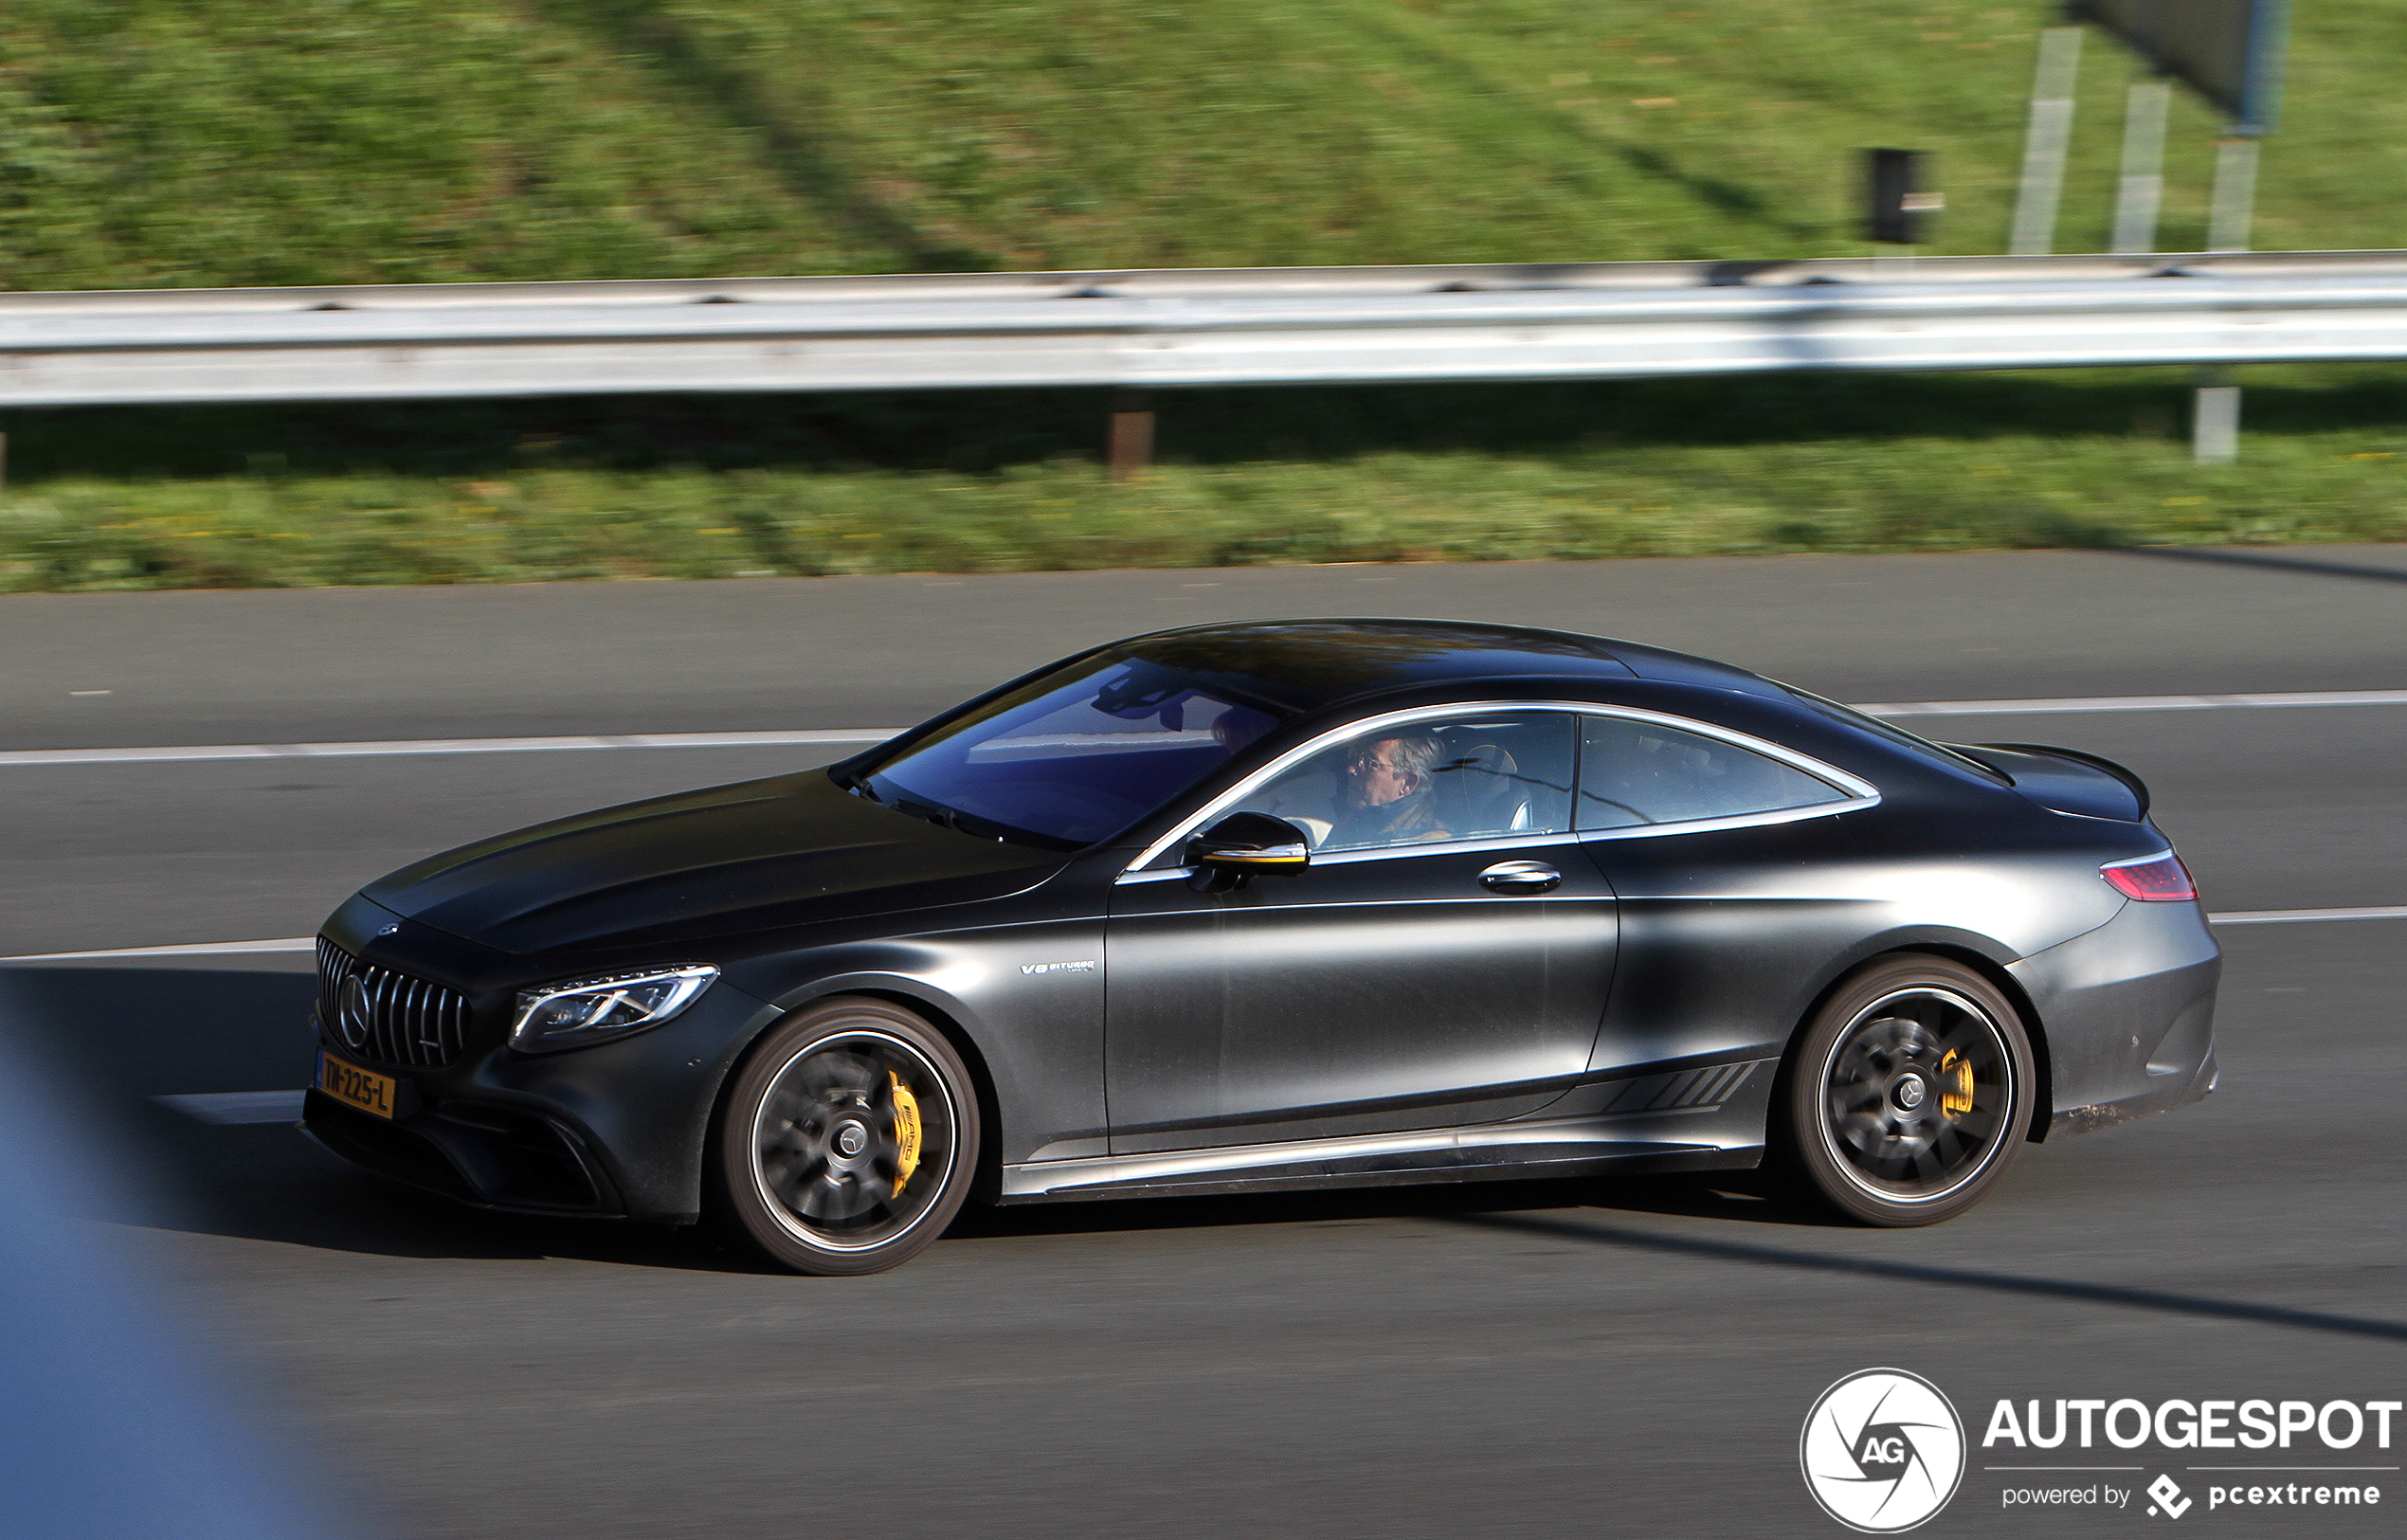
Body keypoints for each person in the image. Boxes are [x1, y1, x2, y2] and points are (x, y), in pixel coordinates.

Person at [1323, 733, 1450, 849]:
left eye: (1368, 762)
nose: (1350, 769)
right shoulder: (1348, 824)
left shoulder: (1431, 844)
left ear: (1408, 783)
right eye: (1356, 760)